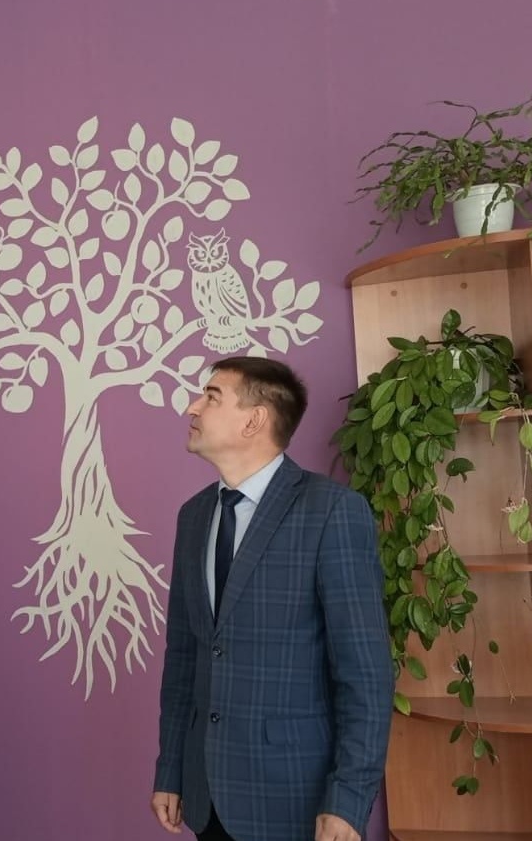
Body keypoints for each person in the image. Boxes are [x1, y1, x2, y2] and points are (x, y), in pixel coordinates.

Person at [151, 357, 392, 841]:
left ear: (254, 420)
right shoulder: (193, 517)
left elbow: (365, 674)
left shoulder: (332, 511)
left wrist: (348, 799)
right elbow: (184, 657)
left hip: (297, 798)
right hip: (205, 795)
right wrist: (171, 768)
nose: (192, 407)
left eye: (211, 397)